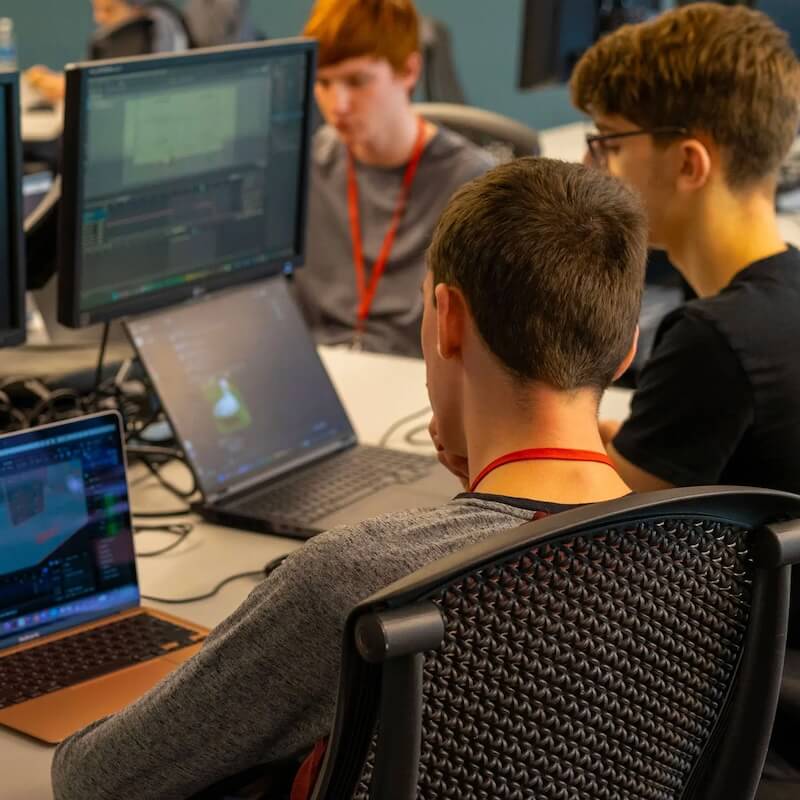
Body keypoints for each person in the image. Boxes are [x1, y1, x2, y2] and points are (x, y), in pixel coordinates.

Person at [51, 157, 647, 800]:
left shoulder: (362, 584)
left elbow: (93, 781)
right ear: (626, 349)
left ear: (448, 319)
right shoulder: (711, 556)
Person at [570, 2, 800, 495]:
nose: (588, 164)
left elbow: (604, 528)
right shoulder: (782, 300)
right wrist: (632, 449)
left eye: (609, 143)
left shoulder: (711, 342)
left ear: (689, 165)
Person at [291, 0, 494, 357]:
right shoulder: (307, 167)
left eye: (357, 81)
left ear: (409, 71)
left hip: (418, 378)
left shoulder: (470, 183)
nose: (337, 105)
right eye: (323, 82)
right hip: (322, 370)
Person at [25, 0, 188, 104]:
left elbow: (108, 89)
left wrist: (64, 87)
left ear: (136, 8)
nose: (99, 18)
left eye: (109, 10)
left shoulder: (138, 36)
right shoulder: (105, 39)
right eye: (96, 9)